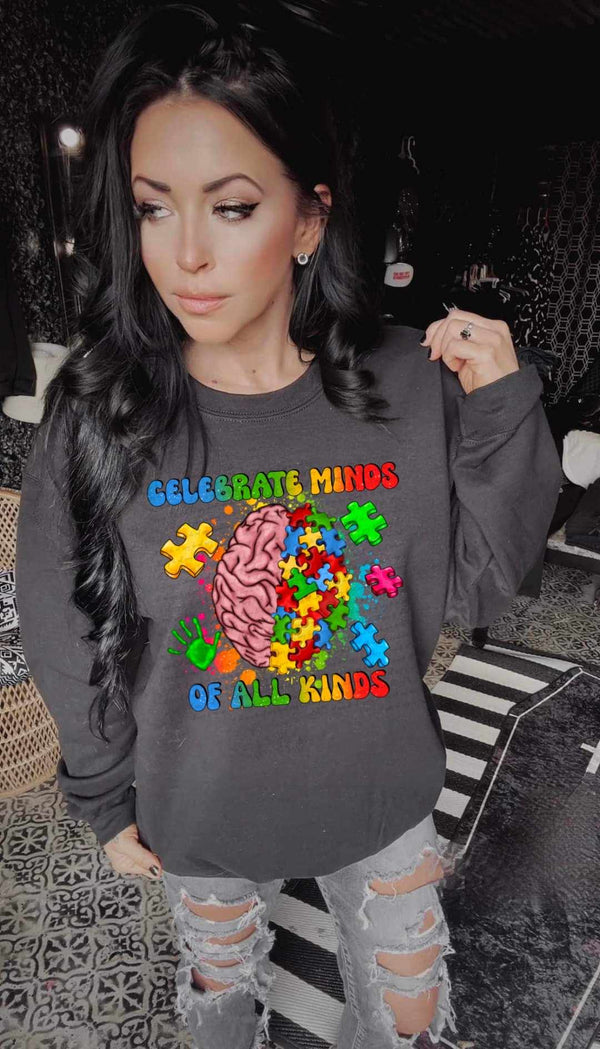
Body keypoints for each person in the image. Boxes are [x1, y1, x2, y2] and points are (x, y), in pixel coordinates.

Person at [15, 3, 564, 1048]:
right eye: (153, 207)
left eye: (231, 207)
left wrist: (501, 408)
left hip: (381, 792)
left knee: (407, 1014)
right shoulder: (103, 412)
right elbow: (59, 618)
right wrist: (102, 791)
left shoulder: (405, 383)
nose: (185, 254)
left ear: (309, 220)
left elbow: (485, 583)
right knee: (219, 1004)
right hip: (199, 808)